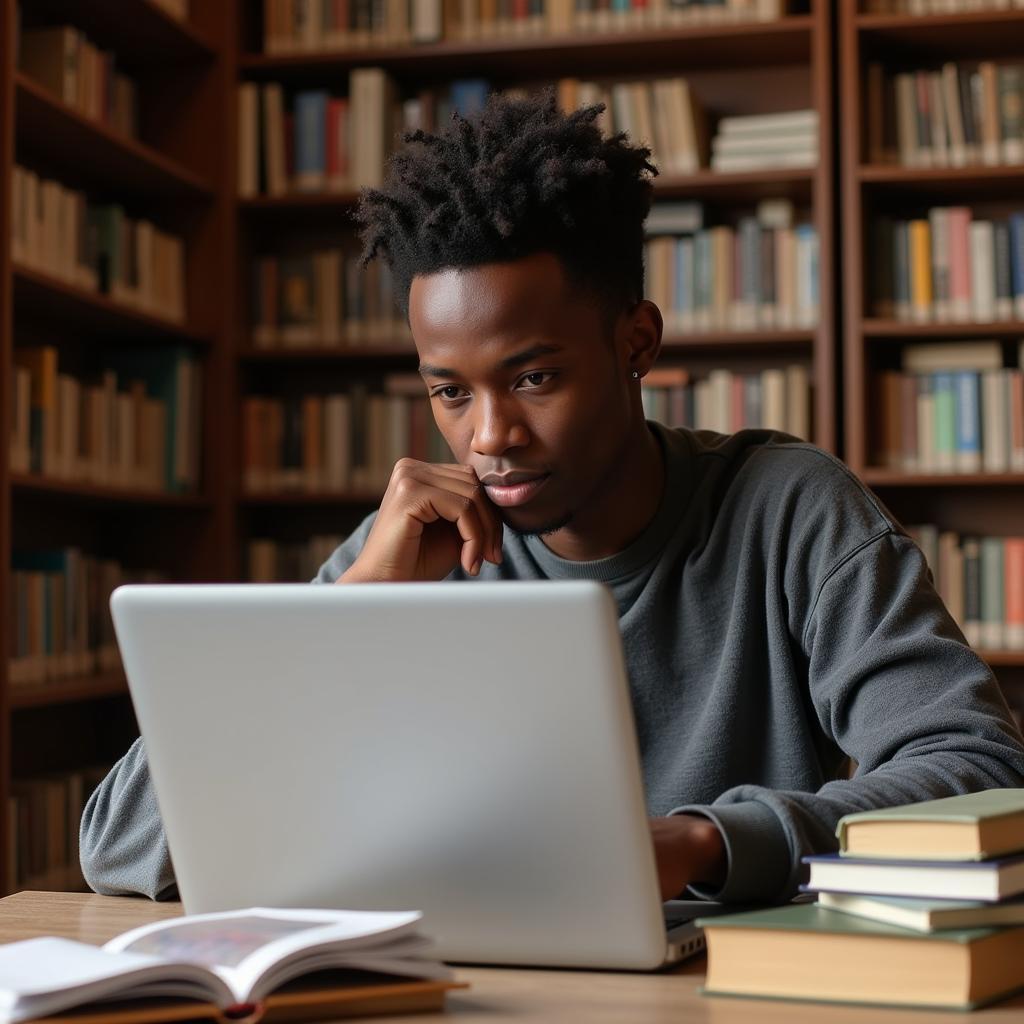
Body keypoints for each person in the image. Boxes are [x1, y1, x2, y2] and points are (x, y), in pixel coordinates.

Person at [81, 92, 1024, 906]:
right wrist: (342, 617)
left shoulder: (788, 508)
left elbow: (983, 772)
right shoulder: (405, 549)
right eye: (450, 391)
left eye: (533, 379)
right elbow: (118, 848)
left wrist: (708, 841)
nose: (490, 436)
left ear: (636, 343)